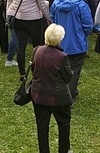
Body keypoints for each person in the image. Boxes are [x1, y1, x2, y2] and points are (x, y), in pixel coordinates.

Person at [29, 24, 74, 153]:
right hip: (58, 97)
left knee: (42, 127)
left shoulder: (36, 50)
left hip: (38, 95)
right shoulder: (62, 57)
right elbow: (68, 77)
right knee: (64, 124)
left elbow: (34, 70)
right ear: (59, 39)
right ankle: (63, 150)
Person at [6, 0, 50, 79]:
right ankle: (37, 71)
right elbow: (42, 4)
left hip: (19, 18)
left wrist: (7, 16)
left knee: (21, 47)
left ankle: (22, 74)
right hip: (34, 19)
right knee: (37, 47)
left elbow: (9, 2)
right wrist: (48, 17)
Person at [50, 0, 93, 100]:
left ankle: (62, 92)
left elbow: (52, 20)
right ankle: (68, 97)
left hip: (59, 43)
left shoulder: (56, 3)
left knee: (60, 70)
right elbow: (88, 25)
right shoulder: (81, 6)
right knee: (73, 71)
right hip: (76, 44)